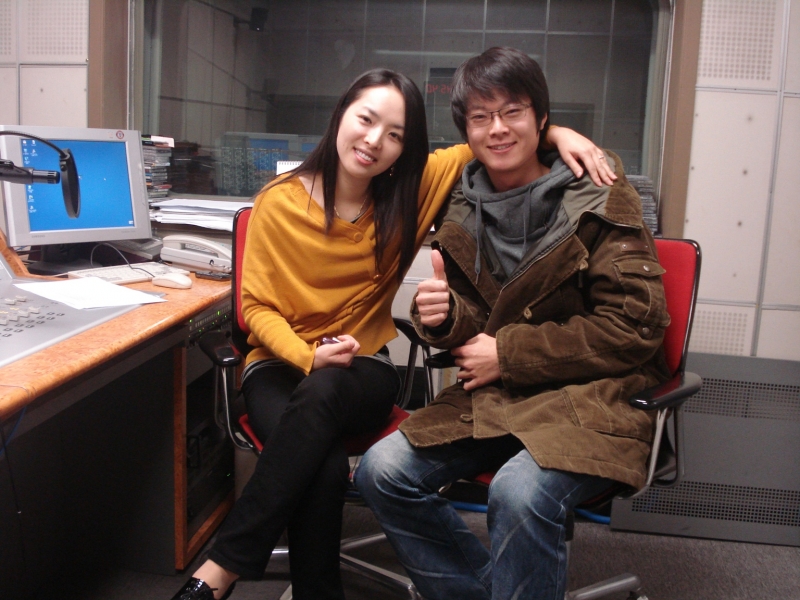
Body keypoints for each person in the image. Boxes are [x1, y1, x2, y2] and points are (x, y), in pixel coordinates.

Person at [170, 67, 612, 600]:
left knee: (327, 394)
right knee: (322, 465)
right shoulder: (278, 201)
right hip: (279, 366)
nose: (375, 140)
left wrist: (556, 132)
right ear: (342, 115)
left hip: (364, 370)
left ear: (406, 148)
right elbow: (255, 308)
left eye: (396, 134)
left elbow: (489, 140)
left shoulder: (409, 193)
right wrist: (307, 356)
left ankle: (223, 566)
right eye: (366, 119)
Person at [356, 47, 672, 600]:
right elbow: (477, 319)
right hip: (497, 399)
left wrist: (509, 355)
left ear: (541, 119)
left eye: (513, 112)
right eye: (481, 117)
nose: (497, 129)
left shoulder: (598, 193)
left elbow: (634, 325)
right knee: (381, 470)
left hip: (592, 397)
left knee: (519, 493)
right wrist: (446, 317)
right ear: (467, 132)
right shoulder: (461, 205)